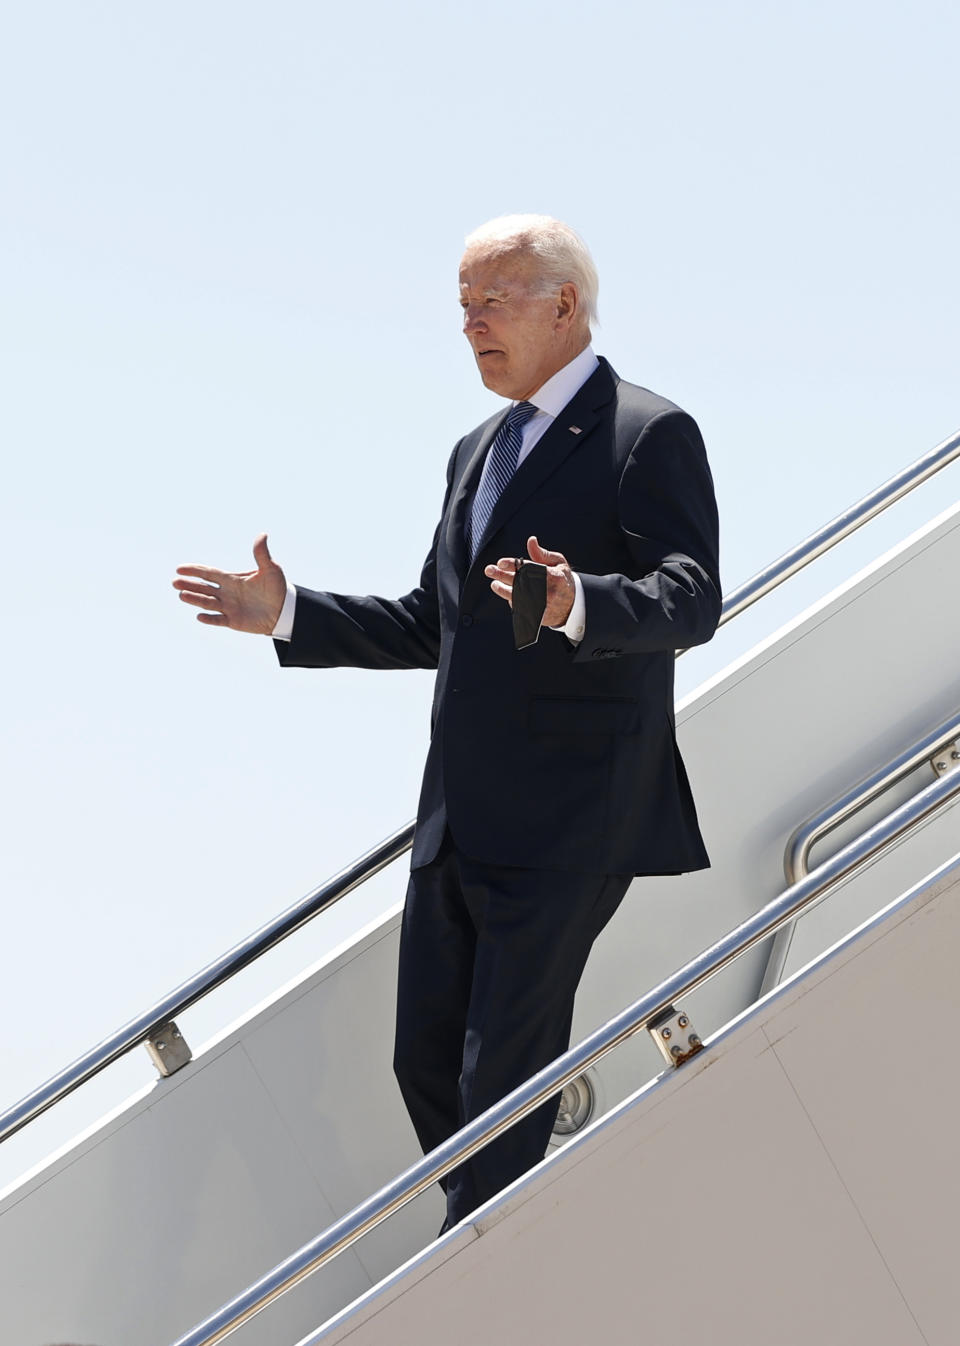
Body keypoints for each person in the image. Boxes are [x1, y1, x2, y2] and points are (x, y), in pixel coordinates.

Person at [173, 214, 721, 1230]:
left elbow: (691, 598)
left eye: (492, 300)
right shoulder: (478, 451)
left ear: (563, 305)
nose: (471, 323)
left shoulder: (647, 433)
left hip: (571, 815)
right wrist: (289, 613)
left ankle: (478, 1274)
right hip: (459, 819)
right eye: (462, 305)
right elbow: (440, 621)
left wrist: (577, 604)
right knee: (424, 1057)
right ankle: (516, 1240)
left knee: (502, 1073)